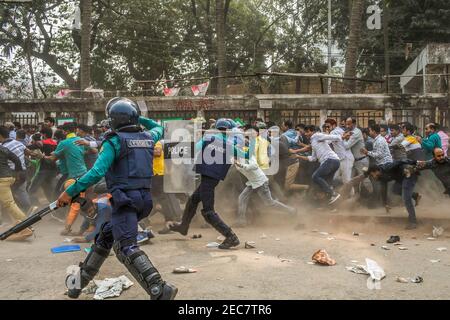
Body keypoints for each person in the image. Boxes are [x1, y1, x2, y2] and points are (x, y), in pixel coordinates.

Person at [59, 98, 177, 300]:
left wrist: (69, 192)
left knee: (126, 247)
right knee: (105, 238)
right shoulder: (149, 136)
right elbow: (158, 126)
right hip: (142, 200)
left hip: (124, 200)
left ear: (113, 120)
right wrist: (138, 117)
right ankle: (76, 286)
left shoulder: (114, 141)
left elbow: (97, 173)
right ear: (133, 118)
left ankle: (159, 288)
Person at [168, 119, 245, 249]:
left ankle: (231, 236)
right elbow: (245, 154)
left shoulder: (208, 139)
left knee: (208, 211)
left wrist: (172, 150)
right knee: (193, 200)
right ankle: (183, 226)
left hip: (207, 177)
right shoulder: (231, 145)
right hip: (213, 178)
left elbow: (192, 149)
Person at [45, 122, 89, 235]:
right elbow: (93, 151)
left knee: (75, 202)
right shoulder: (80, 140)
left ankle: (67, 226)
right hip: (85, 173)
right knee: (81, 201)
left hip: (75, 176)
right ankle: (72, 223)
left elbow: (52, 159)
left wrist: (41, 156)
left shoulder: (64, 143)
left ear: (65, 132)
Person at [234, 154, 296, 227]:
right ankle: (241, 221)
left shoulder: (248, 156)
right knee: (242, 198)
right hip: (253, 182)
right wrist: (237, 163)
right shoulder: (236, 160)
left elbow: (254, 166)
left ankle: (291, 211)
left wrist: (240, 164)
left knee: (270, 203)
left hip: (261, 182)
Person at [367, 161, 421, 230]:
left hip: (409, 174)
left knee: (406, 198)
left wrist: (415, 162)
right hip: (401, 178)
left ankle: (413, 222)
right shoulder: (381, 176)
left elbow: (400, 161)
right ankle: (415, 196)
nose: (373, 177)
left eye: (372, 174)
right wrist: (385, 203)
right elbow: (383, 189)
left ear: (376, 171)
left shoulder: (387, 167)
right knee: (395, 189)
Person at [296, 125, 341, 204]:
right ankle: (332, 201)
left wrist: (340, 137)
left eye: (307, 132)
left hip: (330, 160)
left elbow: (332, 137)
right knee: (326, 184)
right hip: (334, 161)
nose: (306, 134)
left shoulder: (316, 136)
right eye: (305, 132)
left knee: (315, 176)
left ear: (312, 131)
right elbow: (313, 158)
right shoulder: (313, 142)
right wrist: (299, 156)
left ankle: (333, 194)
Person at [0, 143, 33, 241]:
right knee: (8, 203)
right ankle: (22, 224)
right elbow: (17, 160)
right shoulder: (3, 148)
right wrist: (17, 173)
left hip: (1, 179)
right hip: (9, 177)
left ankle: (25, 225)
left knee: (9, 204)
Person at [0, 126, 32, 214]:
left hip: (12, 173)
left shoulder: (3, 147)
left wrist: (16, 174)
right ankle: (28, 209)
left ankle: (17, 214)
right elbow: (29, 152)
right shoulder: (17, 142)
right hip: (23, 171)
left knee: (8, 196)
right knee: (22, 191)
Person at [27, 126, 58, 204]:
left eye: (41, 134)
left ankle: (35, 208)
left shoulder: (42, 143)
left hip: (43, 170)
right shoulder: (56, 143)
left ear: (44, 134)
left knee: (31, 190)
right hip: (54, 170)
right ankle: (55, 209)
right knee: (48, 190)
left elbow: (28, 148)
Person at [325, 119, 354, 186]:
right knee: (335, 177)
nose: (327, 128)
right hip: (341, 158)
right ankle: (338, 193)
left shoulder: (334, 132)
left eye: (328, 127)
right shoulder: (339, 130)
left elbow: (327, 141)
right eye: (325, 127)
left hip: (346, 158)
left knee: (346, 180)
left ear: (334, 125)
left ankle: (351, 195)